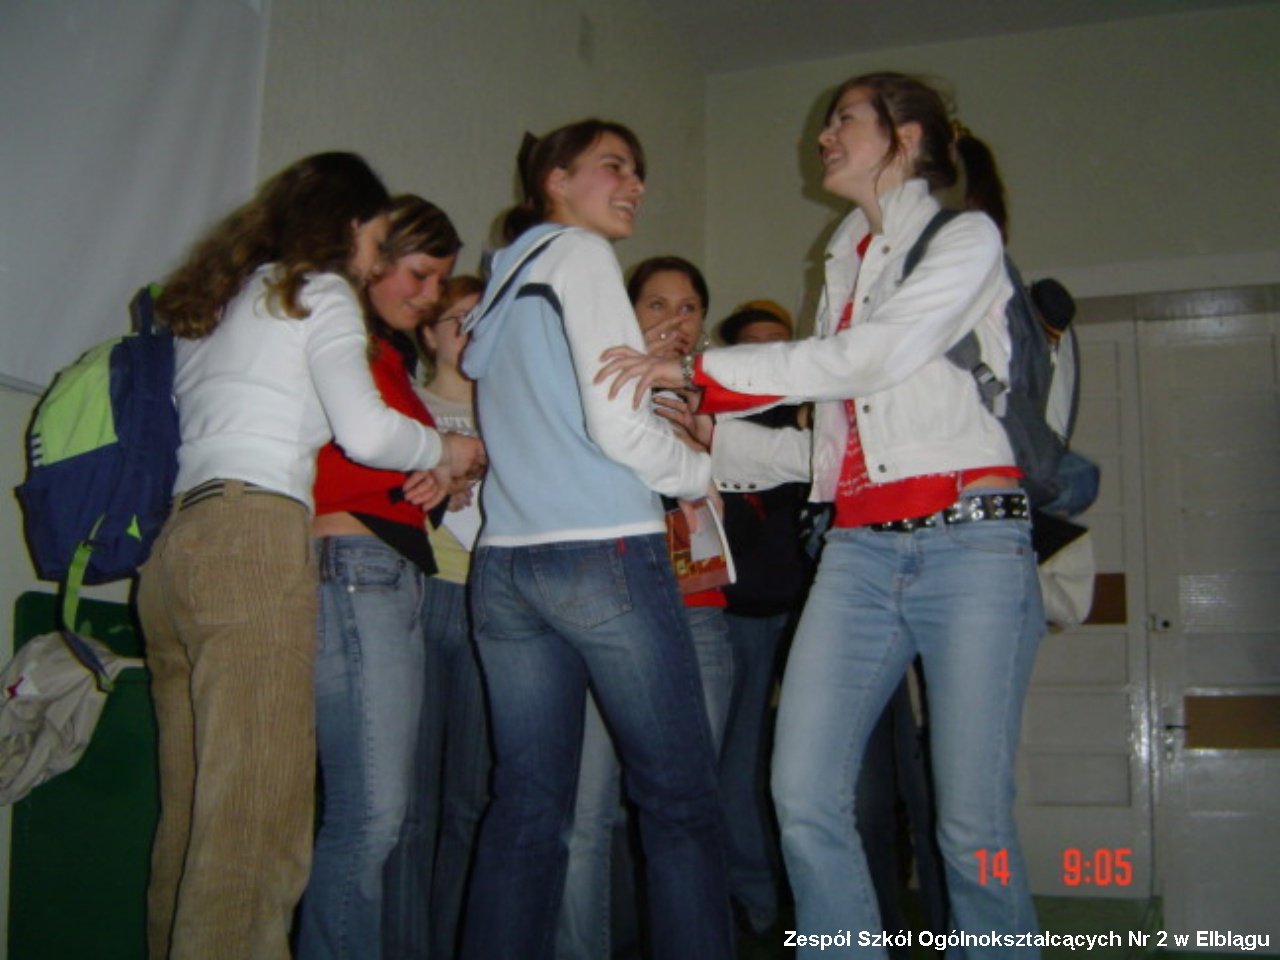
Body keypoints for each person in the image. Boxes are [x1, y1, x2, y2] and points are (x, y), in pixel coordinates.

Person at [598, 72, 1046, 957]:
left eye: (845, 120)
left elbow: (868, 357)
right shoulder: (845, 257)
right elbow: (831, 453)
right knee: (801, 796)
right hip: (858, 553)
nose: (825, 136)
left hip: (974, 543)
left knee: (971, 824)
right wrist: (716, 440)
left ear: (906, 139)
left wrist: (699, 372)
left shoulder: (966, 238)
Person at [136, 153, 482, 960]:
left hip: (178, 547)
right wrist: (448, 448)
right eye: (379, 242)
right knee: (253, 834)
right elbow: (366, 433)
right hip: (253, 543)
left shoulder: (220, 299)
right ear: (351, 226)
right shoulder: (318, 289)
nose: (376, 262)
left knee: (189, 828)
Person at [458, 120, 734, 960]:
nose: (636, 185)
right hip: (602, 554)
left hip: (506, 568)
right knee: (679, 805)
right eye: (615, 166)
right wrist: (695, 471)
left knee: (526, 810)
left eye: (639, 172)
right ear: (556, 178)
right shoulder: (579, 255)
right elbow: (617, 432)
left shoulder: (505, 284)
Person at [297, 195, 476, 960]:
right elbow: (352, 452)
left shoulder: (385, 356)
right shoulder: (346, 339)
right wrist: (442, 457)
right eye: (419, 274)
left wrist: (435, 478)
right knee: (371, 816)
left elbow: (387, 462)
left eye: (439, 281)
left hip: (389, 572)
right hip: (357, 569)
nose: (429, 296)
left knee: (380, 814)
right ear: (372, 257)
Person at [555, 255, 734, 960]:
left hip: (698, 612)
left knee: (689, 811)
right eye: (656, 305)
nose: (673, 320)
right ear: (627, 314)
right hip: (614, 608)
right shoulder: (594, 385)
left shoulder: (723, 394)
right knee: (586, 814)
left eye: (688, 308)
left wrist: (700, 434)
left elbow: (748, 512)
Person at [382, 275, 490, 960]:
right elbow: (382, 501)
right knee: (411, 805)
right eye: (457, 321)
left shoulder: (514, 410)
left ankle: (453, 942)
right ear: (428, 333)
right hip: (419, 598)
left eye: (484, 321)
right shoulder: (408, 406)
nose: (471, 334)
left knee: (471, 802)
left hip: (492, 608)